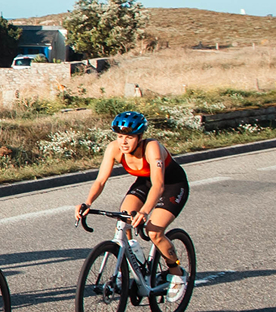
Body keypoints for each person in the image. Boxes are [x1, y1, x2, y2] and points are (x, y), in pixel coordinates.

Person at [75, 110, 191, 302]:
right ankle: (134, 262)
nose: (124, 142)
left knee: (154, 232)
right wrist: (87, 202)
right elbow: (100, 181)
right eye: (120, 136)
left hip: (171, 185)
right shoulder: (114, 149)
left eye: (129, 137)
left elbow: (159, 185)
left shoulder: (152, 148)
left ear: (140, 137)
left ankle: (176, 272)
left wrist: (145, 211)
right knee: (124, 219)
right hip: (144, 183)